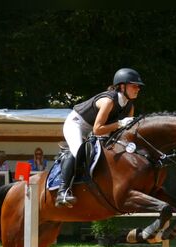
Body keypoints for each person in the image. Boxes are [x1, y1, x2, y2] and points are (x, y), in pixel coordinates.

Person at [58, 67, 144, 207]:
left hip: (99, 128)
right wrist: (121, 123)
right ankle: (63, 191)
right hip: (77, 123)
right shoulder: (108, 100)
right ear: (122, 87)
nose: (138, 88)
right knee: (78, 151)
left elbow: (123, 132)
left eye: (138, 86)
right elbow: (97, 129)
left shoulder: (129, 106)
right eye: (134, 85)